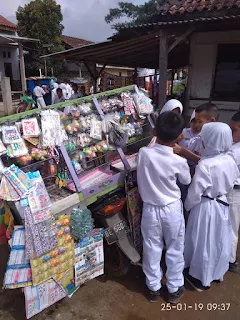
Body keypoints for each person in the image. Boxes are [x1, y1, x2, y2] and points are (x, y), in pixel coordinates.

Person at [137, 111, 191, 304]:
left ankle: (153, 287)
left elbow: (150, 150)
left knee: (152, 247)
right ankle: (174, 287)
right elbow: (186, 179)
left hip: (151, 210)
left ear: (154, 131)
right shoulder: (179, 161)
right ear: (179, 136)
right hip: (172, 209)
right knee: (175, 247)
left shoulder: (144, 153)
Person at [184, 122, 239, 291]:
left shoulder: (205, 165)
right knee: (217, 240)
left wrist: (186, 207)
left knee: (202, 241)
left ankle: (201, 278)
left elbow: (195, 193)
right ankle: (216, 272)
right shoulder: (230, 159)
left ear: (210, 140)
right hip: (222, 204)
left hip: (205, 206)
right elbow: (231, 181)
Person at [228, 111, 240, 272]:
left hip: (233, 192)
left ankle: (231, 260)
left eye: (234, 130)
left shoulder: (235, 151)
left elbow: (217, 168)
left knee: (230, 226)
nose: (230, 134)